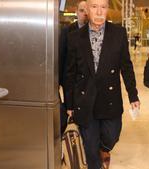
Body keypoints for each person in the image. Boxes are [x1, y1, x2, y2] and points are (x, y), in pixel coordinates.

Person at [63, 0, 140, 168]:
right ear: (87, 11)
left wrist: (133, 94)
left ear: (107, 10)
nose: (99, 12)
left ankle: (104, 149)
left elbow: (126, 67)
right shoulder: (75, 37)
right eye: (94, 7)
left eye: (103, 7)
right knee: (90, 148)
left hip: (109, 98)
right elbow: (70, 73)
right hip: (85, 99)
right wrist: (69, 104)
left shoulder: (118, 34)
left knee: (112, 136)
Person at [59, 0, 88, 135]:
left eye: (87, 10)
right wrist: (58, 82)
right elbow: (61, 56)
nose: (85, 14)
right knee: (72, 111)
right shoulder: (67, 31)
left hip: (88, 81)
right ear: (76, 12)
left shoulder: (95, 32)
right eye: (82, 10)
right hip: (71, 81)